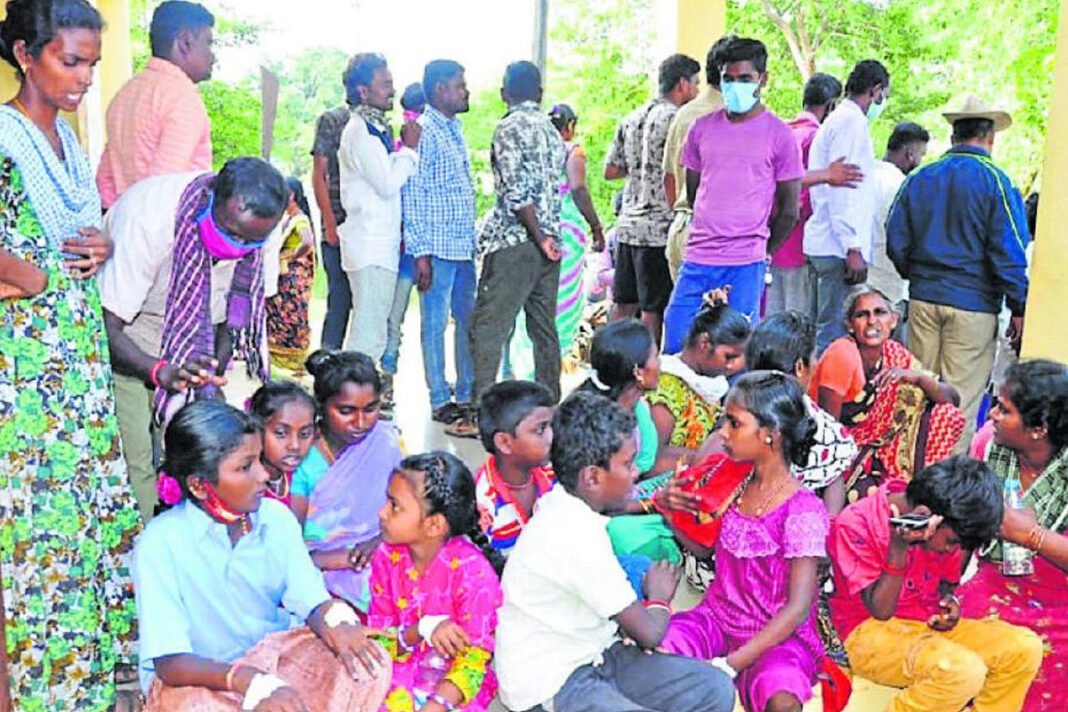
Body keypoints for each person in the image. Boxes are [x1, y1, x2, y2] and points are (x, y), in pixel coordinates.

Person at [0, 1, 141, 705]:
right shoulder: (3, 137)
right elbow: (24, 258)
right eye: (70, 60)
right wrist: (36, 275)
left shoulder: (68, 139)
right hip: (29, 373)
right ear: (26, 54)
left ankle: (94, 669)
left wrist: (100, 245)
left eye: (90, 61)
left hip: (77, 361)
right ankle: (47, 684)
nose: (85, 76)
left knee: (88, 512)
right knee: (45, 521)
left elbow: (76, 232)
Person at [132, 400, 390, 710]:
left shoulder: (275, 518)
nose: (262, 475)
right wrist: (250, 681)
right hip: (202, 677)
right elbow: (170, 662)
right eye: (245, 467)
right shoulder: (159, 544)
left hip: (274, 654)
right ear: (200, 486)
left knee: (368, 666)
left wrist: (338, 624)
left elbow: (311, 598)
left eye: (258, 460)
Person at [494, 391, 737, 712]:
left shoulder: (570, 504)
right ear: (592, 478)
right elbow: (650, 633)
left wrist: (655, 502)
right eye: (628, 463)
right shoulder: (573, 537)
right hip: (551, 681)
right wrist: (660, 597)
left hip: (596, 651)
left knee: (714, 688)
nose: (636, 472)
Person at [99, 157, 287, 519]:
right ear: (212, 196)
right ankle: (139, 555)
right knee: (136, 460)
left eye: (250, 240)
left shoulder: (264, 230)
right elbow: (106, 326)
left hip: (195, 337)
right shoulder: (149, 217)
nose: (237, 246)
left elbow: (235, 315)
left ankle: (183, 539)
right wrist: (159, 372)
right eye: (231, 232)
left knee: (187, 455)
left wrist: (213, 368)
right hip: (130, 334)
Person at [660, 372, 829, 712]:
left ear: (770, 435)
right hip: (717, 618)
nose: (722, 432)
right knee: (658, 650)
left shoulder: (802, 510)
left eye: (734, 423)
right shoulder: (732, 478)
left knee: (782, 701)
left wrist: (730, 664)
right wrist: (669, 514)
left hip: (777, 637)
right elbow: (706, 551)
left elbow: (797, 610)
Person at [828, 456, 1043, 711]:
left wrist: (949, 602)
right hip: (867, 632)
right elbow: (881, 611)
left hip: (923, 624)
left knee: (1023, 648)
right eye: (952, 542)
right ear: (925, 516)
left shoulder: (946, 526)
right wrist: (898, 548)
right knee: (960, 671)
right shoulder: (857, 523)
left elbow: (946, 585)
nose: (952, 550)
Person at [887, 96, 1030, 446]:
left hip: (923, 299)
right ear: (989, 138)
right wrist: (1019, 306)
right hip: (974, 307)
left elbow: (895, 237)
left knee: (914, 396)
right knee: (959, 405)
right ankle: (947, 492)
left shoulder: (920, 178)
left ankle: (907, 478)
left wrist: (918, 275)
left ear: (953, 136)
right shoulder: (996, 181)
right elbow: (1009, 252)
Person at [662, 37, 803, 353]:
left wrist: (763, 251)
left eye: (745, 79)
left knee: (735, 351)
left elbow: (789, 210)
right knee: (676, 340)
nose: (735, 86)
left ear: (762, 80)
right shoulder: (701, 129)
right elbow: (697, 192)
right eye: (728, 79)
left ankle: (732, 404)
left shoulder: (781, 135)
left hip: (746, 261)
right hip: (698, 256)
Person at [961, 359, 1068, 709]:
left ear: (1038, 428)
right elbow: (962, 530)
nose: (991, 415)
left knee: (1049, 667)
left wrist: (1031, 535)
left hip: (1060, 594)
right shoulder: (986, 447)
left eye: (1004, 410)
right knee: (957, 652)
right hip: (994, 581)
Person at [469, 61, 566, 420]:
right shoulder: (553, 131)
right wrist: (547, 240)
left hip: (517, 240)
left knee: (489, 324)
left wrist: (537, 237)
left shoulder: (508, 128)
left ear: (504, 93)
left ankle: (483, 412)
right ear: (539, 93)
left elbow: (515, 190)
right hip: (550, 243)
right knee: (543, 326)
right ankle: (550, 406)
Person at [371, 451, 505, 711]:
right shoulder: (386, 558)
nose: (382, 512)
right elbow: (380, 640)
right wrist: (421, 629)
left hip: (454, 684)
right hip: (398, 673)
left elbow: (474, 660)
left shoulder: (473, 573)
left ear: (434, 525)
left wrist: (437, 705)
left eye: (394, 505)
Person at [809, 287, 964, 504]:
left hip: (879, 448)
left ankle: (924, 490)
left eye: (879, 312)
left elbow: (952, 399)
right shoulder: (842, 354)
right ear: (850, 325)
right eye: (862, 315)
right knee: (875, 498)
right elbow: (828, 431)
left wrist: (918, 378)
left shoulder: (894, 353)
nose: (872, 321)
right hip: (843, 450)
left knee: (944, 414)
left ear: (894, 320)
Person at [291, 349, 403, 611]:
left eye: (371, 409)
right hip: (326, 564)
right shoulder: (302, 459)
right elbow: (292, 549)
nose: (361, 422)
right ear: (321, 406)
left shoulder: (385, 440)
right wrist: (337, 558)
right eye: (346, 411)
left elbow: (413, 506)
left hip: (385, 546)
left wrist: (379, 542)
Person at [505, 103, 607, 378]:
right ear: (570, 126)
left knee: (533, 301)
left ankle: (524, 371)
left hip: (533, 231)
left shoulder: (534, 153)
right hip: (565, 236)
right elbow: (577, 187)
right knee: (560, 305)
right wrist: (596, 227)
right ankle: (546, 373)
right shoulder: (572, 150)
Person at [403, 59, 478, 430]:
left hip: (463, 245)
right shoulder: (424, 131)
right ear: (438, 91)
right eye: (458, 85)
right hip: (435, 246)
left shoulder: (454, 129)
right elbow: (413, 193)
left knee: (468, 321)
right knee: (434, 324)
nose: (465, 90)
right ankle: (438, 397)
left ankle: (464, 393)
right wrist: (420, 253)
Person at [606, 52, 701, 344]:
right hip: (660, 227)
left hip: (627, 225)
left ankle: (607, 364)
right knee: (653, 309)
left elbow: (611, 169)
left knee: (622, 305)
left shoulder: (631, 117)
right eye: (696, 84)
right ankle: (645, 370)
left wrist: (640, 168)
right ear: (682, 84)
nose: (698, 91)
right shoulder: (678, 120)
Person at [338, 53, 420, 365]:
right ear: (362, 91)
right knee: (368, 337)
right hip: (370, 245)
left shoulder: (373, 129)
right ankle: (348, 403)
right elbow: (387, 183)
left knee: (371, 332)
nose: (392, 90)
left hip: (377, 245)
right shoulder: (360, 131)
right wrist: (409, 150)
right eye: (385, 84)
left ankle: (353, 402)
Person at [805, 60, 890, 353]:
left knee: (826, 330)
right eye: (883, 95)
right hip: (837, 246)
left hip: (829, 242)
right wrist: (853, 246)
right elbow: (843, 190)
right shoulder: (851, 123)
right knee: (833, 336)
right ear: (876, 90)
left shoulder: (839, 120)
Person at [96, 1, 214, 208]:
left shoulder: (125, 94)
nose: (213, 56)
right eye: (209, 43)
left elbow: (105, 181)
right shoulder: (182, 98)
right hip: (164, 232)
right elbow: (164, 188)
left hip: (121, 227)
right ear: (185, 42)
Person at [767, 72, 861, 319]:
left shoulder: (781, 133)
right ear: (831, 104)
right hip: (799, 244)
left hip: (772, 244)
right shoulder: (816, 138)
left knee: (773, 320)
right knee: (798, 324)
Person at [648, 298, 749, 472]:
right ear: (704, 343)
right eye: (729, 356)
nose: (733, 365)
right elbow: (649, 461)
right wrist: (702, 460)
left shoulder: (709, 384)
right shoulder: (666, 390)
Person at [662, 36, 730, 281]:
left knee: (685, 317)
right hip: (717, 236)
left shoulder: (684, 114)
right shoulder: (735, 117)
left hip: (682, 228)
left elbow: (668, 179)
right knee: (725, 319)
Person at [382, 81, 429, 408]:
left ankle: (387, 381)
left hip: (414, 250)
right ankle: (385, 379)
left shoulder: (409, 147)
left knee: (395, 320)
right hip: (404, 250)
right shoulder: (402, 149)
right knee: (393, 320)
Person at [474, 380, 555, 555]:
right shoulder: (483, 504)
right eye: (540, 430)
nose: (551, 436)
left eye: (551, 426)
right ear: (504, 442)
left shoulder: (554, 473)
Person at [311, 56, 358, 350]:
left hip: (371, 229)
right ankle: (329, 366)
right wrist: (329, 223)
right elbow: (319, 174)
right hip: (339, 224)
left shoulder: (383, 126)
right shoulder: (333, 120)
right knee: (339, 300)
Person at [578, 318, 661, 475]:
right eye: (655, 356)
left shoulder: (637, 406)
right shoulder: (602, 429)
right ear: (638, 372)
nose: (659, 364)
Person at [869, 122, 929, 326]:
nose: (920, 160)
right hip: (888, 280)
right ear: (910, 152)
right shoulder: (899, 186)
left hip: (858, 274)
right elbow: (902, 237)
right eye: (921, 154)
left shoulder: (866, 174)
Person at [266, 176, 316, 374]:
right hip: (282, 275)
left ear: (292, 195)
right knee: (278, 314)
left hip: (292, 278)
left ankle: (293, 359)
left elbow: (307, 241)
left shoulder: (300, 219)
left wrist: (293, 257)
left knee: (291, 316)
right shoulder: (286, 218)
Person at [249, 380, 317, 507]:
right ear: (257, 430)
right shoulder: (244, 486)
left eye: (304, 434)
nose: (295, 445)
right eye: (281, 433)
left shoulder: (304, 476)